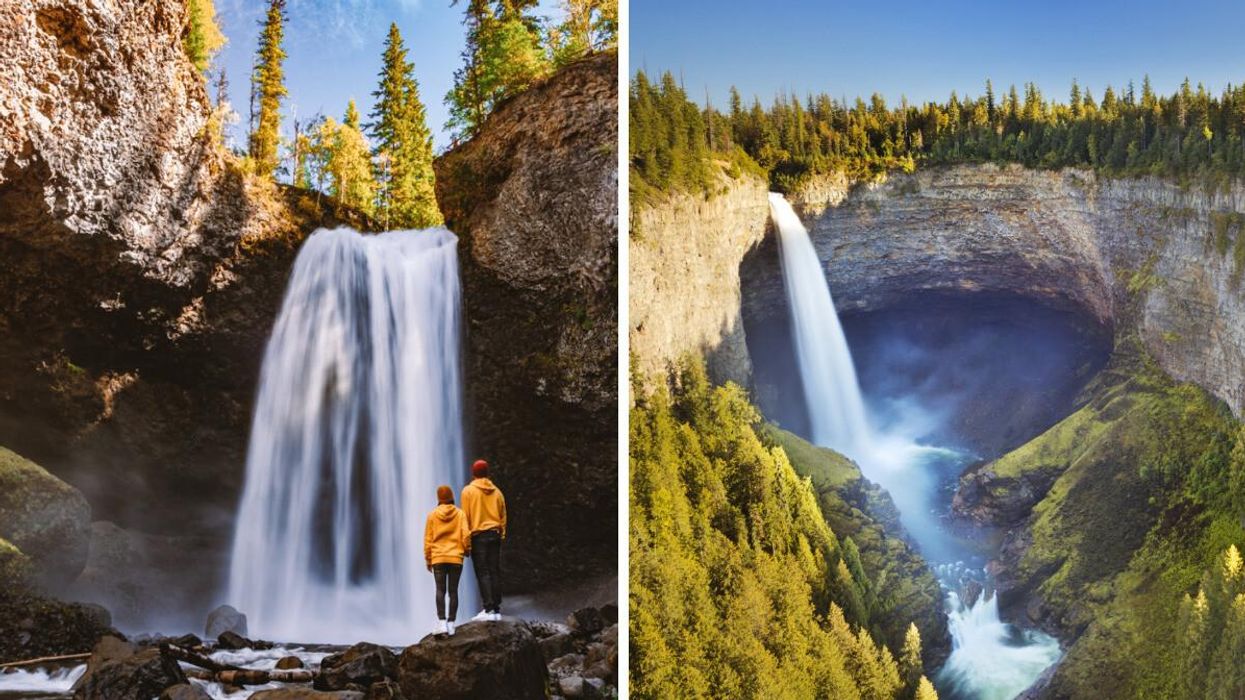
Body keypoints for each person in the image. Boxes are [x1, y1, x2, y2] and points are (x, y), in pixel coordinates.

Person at [461, 459, 506, 621]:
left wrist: (465, 543)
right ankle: (496, 608)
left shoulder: (468, 492)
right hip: (494, 534)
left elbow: (465, 518)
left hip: (478, 535)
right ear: (488, 473)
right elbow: (503, 516)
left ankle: (488, 609)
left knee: (483, 572)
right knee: (494, 571)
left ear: (473, 474)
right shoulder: (497, 492)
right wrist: (501, 534)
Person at [424, 484, 470, 636]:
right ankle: (451, 624)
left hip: (438, 557)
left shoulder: (432, 515)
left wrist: (428, 559)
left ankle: (442, 623)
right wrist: (467, 550)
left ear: (439, 499)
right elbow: (466, 535)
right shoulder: (460, 514)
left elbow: (428, 540)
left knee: (440, 590)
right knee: (453, 591)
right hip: (456, 558)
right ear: (451, 497)